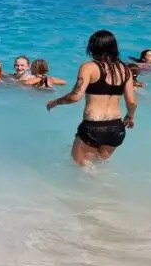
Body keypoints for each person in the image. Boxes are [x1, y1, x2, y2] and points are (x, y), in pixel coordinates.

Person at [47, 30, 137, 167]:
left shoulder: (89, 67)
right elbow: (131, 102)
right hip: (116, 129)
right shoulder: (125, 70)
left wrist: (56, 102)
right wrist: (130, 116)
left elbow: (75, 96)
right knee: (97, 166)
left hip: (93, 127)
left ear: (93, 47)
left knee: (80, 167)